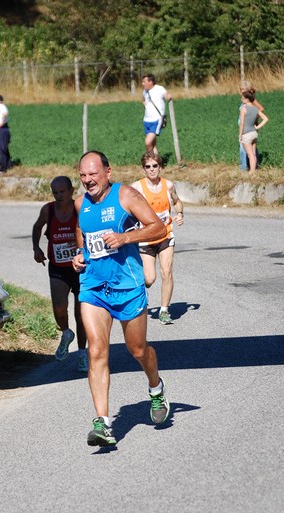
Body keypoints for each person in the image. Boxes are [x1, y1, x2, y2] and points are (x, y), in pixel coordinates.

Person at [72, 150, 170, 447]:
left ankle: (156, 388)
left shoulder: (125, 196)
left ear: (108, 172)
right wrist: (81, 254)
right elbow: (81, 229)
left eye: (93, 174)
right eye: (83, 176)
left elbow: (158, 227)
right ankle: (103, 422)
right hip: (94, 287)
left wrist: (125, 238)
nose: (88, 180)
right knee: (97, 350)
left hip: (127, 287)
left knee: (137, 349)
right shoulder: (81, 204)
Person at [32, 176, 88, 373]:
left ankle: (82, 354)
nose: (58, 196)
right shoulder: (48, 210)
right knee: (59, 309)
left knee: (81, 314)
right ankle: (66, 333)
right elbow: (37, 226)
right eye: (55, 192)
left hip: (80, 268)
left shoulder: (79, 208)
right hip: (57, 267)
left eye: (62, 191)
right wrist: (36, 248)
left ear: (71, 191)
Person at [131, 152, 184, 324]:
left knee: (166, 272)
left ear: (160, 167)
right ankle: (141, 291)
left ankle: (164, 310)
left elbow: (177, 201)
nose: (152, 169)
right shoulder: (137, 188)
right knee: (149, 278)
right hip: (145, 238)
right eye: (148, 166)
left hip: (165, 235)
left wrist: (180, 213)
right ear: (143, 169)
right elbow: (126, 209)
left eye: (155, 166)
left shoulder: (168, 185)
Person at [238, 91, 269, 173]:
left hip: (246, 134)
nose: (241, 99)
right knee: (254, 154)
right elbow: (266, 119)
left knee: (250, 155)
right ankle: (254, 170)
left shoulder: (243, 109)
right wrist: (257, 127)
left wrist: (240, 135)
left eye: (243, 98)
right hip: (254, 133)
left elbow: (242, 123)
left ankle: (252, 172)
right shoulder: (255, 109)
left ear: (247, 99)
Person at [142, 73, 172, 154]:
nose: (143, 83)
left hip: (157, 119)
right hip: (146, 120)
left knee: (147, 142)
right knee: (152, 144)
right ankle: (157, 163)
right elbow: (143, 100)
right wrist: (147, 107)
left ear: (150, 81)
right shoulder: (145, 91)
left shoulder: (159, 89)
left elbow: (166, 95)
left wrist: (168, 96)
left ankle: (151, 161)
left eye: (144, 81)